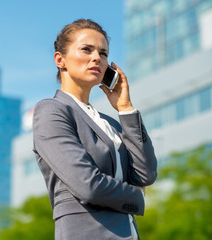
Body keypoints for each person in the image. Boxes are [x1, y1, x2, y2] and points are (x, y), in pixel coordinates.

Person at [32, 19, 158, 240]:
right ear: (60, 60)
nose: (96, 58)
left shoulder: (111, 124)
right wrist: (136, 196)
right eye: (86, 49)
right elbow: (88, 184)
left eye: (103, 53)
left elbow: (145, 174)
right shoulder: (51, 111)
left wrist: (125, 109)